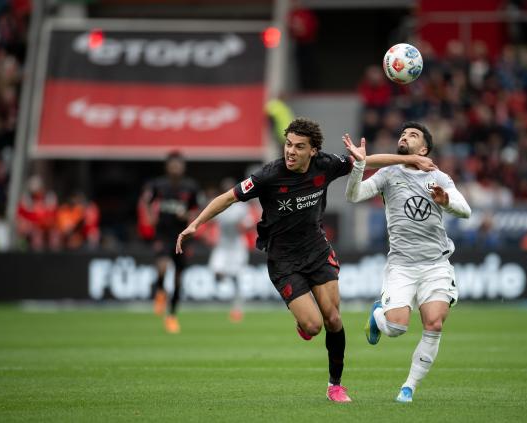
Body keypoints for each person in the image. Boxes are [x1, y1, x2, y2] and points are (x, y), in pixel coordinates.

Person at [176, 117, 435, 403]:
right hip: (283, 260)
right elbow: (228, 198)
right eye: (288, 144)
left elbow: (368, 160)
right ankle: (304, 323)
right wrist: (196, 223)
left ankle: (335, 386)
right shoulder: (269, 175)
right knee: (313, 326)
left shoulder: (325, 165)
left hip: (317, 251)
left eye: (299, 147)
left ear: (313, 151)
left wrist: (412, 159)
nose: (291, 151)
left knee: (333, 318)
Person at [344, 121, 471, 403]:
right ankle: (378, 315)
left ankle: (408, 387)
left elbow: (466, 211)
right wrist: (358, 166)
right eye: (403, 134)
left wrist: (446, 199)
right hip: (401, 265)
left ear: (424, 148)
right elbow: (353, 196)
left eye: (412, 135)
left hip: (436, 264)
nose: (405, 137)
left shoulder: (439, 177)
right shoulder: (389, 174)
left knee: (434, 324)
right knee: (396, 328)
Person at [140, 151, 200, 334]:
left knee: (178, 281)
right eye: (172, 164)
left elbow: (197, 209)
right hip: (163, 234)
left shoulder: (190, 187)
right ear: (167, 166)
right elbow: (147, 202)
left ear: (183, 167)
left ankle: (172, 316)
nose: (176, 167)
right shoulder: (158, 185)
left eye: (178, 164)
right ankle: (159, 291)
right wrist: (150, 217)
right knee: (163, 267)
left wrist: (188, 216)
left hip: (182, 236)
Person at [208, 177, 255, 322]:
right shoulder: (219, 205)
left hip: (237, 247)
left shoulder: (241, 207)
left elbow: (250, 223)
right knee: (215, 272)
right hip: (222, 246)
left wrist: (243, 226)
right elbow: (209, 220)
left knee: (237, 278)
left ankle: (237, 309)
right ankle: (224, 281)